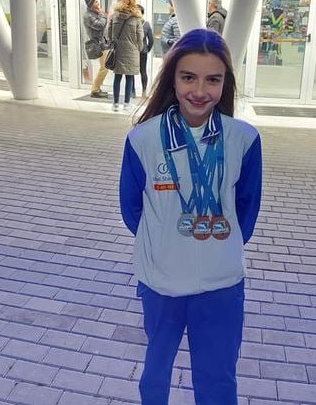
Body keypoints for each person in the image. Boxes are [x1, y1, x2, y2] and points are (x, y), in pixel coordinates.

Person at [120, 29, 262, 405]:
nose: (200, 90)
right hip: (161, 281)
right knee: (155, 374)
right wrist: (166, 239)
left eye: (212, 79)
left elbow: (246, 209)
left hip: (221, 283)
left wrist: (216, 247)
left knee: (218, 380)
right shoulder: (143, 139)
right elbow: (131, 209)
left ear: (225, 83)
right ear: (173, 79)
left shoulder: (244, 139)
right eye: (188, 77)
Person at [108, 0, 143, 112]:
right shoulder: (136, 19)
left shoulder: (114, 16)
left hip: (118, 50)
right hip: (132, 51)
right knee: (129, 77)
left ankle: (115, 104)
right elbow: (140, 36)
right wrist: (140, 48)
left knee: (117, 77)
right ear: (133, 3)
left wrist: (112, 43)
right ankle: (127, 104)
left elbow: (109, 32)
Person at [83, 0, 109, 98]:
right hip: (97, 44)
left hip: (102, 43)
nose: (98, 3)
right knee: (104, 68)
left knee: (104, 67)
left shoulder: (94, 14)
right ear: (91, 4)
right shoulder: (88, 16)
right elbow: (100, 25)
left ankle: (97, 88)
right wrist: (102, 14)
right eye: (96, 2)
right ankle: (95, 90)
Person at [137, 4, 154, 97]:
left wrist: (147, 49)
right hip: (138, 51)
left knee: (141, 71)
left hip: (140, 51)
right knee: (137, 71)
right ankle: (137, 92)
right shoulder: (145, 24)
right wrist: (147, 48)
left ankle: (143, 91)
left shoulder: (145, 24)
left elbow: (151, 40)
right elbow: (151, 40)